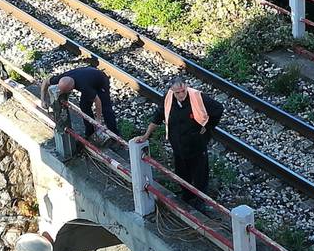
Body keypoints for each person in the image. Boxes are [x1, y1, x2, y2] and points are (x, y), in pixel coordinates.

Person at [136, 77, 223, 206]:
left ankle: (201, 202)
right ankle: (187, 197)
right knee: (182, 173)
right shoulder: (168, 99)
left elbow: (218, 109)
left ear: (186, 87)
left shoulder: (197, 97)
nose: (181, 95)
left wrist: (208, 126)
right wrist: (146, 136)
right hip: (178, 145)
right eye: (178, 92)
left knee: (200, 175)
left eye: (183, 91)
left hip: (196, 144)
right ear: (172, 91)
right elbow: (157, 117)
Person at [40, 66, 118, 138]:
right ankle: (90, 132)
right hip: (88, 78)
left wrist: (98, 121)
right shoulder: (62, 78)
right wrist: (43, 100)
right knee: (84, 106)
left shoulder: (83, 86)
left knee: (106, 109)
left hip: (100, 81)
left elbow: (97, 101)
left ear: (72, 88)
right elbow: (46, 82)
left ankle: (115, 135)